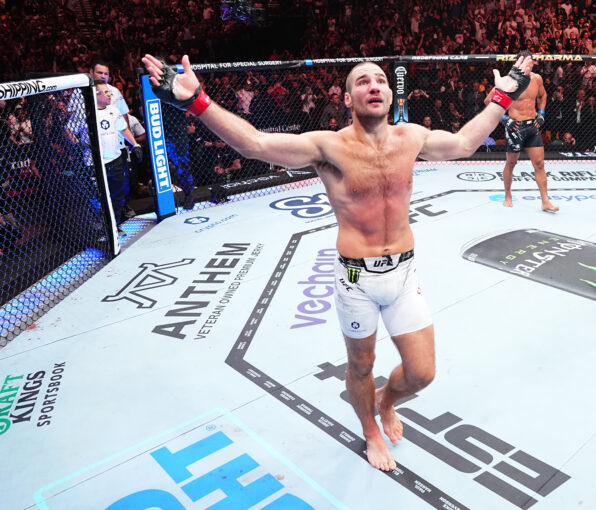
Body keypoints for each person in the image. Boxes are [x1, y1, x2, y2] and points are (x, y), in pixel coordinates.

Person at [142, 52, 533, 472]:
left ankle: (387, 400)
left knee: (421, 374)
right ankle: (369, 430)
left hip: (403, 273)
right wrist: (196, 100)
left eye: (380, 80)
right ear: (348, 99)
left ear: (390, 90)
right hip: (355, 279)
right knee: (361, 365)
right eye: (362, 82)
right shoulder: (326, 147)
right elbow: (253, 144)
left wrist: (501, 97)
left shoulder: (411, 137)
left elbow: (463, 143)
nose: (374, 86)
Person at [485, 50, 558, 212]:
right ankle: (508, 195)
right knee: (511, 163)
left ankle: (545, 201)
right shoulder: (507, 81)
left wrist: (542, 113)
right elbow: (488, 100)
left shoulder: (536, 79)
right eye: (528, 61)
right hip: (515, 127)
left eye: (532, 61)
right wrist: (504, 119)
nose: (531, 64)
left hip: (532, 126)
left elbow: (543, 96)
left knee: (539, 164)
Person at [93, 80, 142, 236]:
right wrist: (80, 144)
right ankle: (102, 228)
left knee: (118, 195)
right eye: (105, 92)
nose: (109, 95)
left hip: (115, 159)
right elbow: (70, 130)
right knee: (99, 197)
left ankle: (114, 226)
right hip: (97, 163)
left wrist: (135, 145)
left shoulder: (113, 110)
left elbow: (123, 129)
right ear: (96, 95)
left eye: (109, 92)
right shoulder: (89, 113)